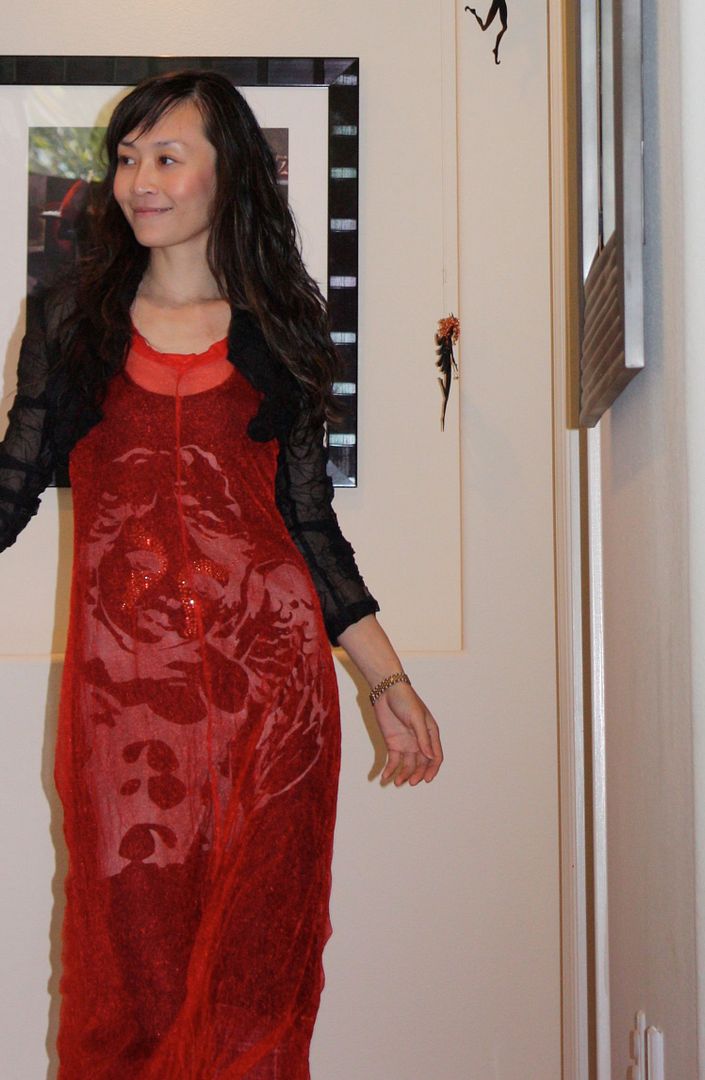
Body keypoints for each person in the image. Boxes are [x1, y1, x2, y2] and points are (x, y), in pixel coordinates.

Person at [0, 69, 443, 1078]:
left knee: (256, 989)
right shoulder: (70, 324)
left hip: (273, 706)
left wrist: (386, 679)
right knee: (128, 983)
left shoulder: (282, 326)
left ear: (227, 172)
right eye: (126, 158)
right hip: (123, 716)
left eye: (166, 156)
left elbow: (308, 527)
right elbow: (10, 490)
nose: (138, 180)